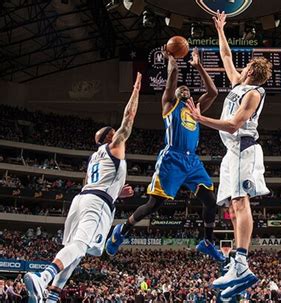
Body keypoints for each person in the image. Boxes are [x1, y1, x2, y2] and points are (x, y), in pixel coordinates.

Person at [23, 73, 142, 302]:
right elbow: (129, 116)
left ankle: (51, 297)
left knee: (75, 253)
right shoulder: (115, 146)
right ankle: (43, 277)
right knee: (79, 246)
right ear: (111, 136)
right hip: (96, 203)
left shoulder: (94, 158)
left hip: (82, 200)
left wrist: (117, 193)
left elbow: (95, 183)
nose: (118, 134)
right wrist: (136, 90)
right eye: (113, 133)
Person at [105, 47, 224, 262]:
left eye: (187, 88)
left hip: (192, 161)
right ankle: (122, 231)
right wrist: (171, 58)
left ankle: (207, 242)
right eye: (180, 88)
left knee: (210, 201)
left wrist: (199, 67)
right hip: (172, 159)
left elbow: (214, 92)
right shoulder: (169, 104)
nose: (183, 88)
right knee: (154, 205)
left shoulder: (195, 107)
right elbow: (173, 75)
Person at [186, 10, 272, 300]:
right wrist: (221, 29)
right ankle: (237, 263)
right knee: (234, 208)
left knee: (240, 201)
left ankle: (242, 262)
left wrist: (201, 119)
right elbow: (226, 57)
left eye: (245, 65)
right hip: (230, 152)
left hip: (243, 148)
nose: (241, 66)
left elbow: (235, 124)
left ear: (251, 70)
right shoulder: (240, 84)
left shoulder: (253, 93)